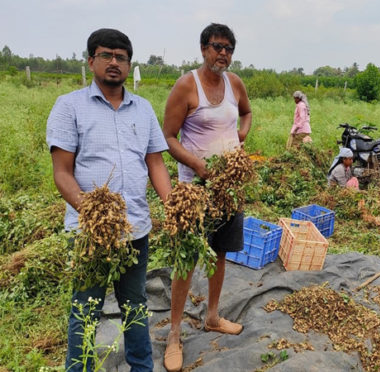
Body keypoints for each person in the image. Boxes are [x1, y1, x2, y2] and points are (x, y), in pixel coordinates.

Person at [46, 28, 172, 371]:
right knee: (85, 309)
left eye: (121, 57)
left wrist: (173, 205)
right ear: (91, 61)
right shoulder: (69, 106)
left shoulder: (143, 109)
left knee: (135, 306)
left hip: (136, 230)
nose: (114, 62)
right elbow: (62, 172)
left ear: (129, 64)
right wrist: (93, 212)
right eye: (106, 55)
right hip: (92, 233)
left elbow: (155, 162)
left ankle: (142, 367)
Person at [161, 23, 252, 372]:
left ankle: (212, 316)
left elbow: (246, 112)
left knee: (220, 252)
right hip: (194, 191)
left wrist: (242, 134)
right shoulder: (187, 85)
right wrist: (197, 165)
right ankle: (173, 333)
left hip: (228, 190)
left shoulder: (235, 84)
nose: (223, 54)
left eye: (229, 48)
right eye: (217, 47)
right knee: (186, 260)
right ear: (203, 49)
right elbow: (168, 136)